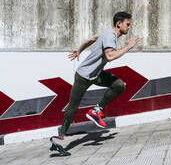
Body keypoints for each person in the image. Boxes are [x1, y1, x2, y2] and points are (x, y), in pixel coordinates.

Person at [58, 11, 139, 140]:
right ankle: (62, 134)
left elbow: (91, 39)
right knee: (73, 107)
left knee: (119, 85)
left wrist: (79, 50)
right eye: (127, 24)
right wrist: (128, 47)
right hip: (83, 76)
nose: (129, 27)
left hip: (96, 75)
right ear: (119, 23)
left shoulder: (108, 33)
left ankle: (95, 111)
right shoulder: (110, 35)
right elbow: (110, 56)